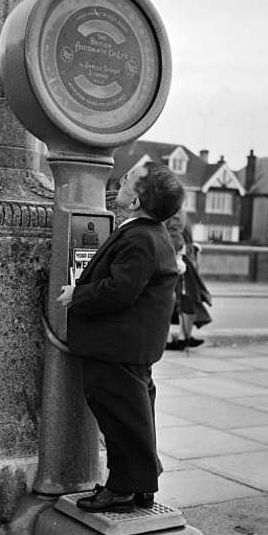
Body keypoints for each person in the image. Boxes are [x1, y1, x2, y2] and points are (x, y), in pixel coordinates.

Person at [57, 161, 185, 513]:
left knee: (119, 419)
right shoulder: (152, 233)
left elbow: (120, 291)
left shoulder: (140, 237)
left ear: (134, 203)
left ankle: (122, 489)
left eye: (128, 181)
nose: (122, 181)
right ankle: (143, 483)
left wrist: (76, 295)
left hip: (116, 348)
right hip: (132, 346)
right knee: (136, 416)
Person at [165, 213, 212, 350]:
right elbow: (174, 232)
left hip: (178, 256)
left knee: (177, 299)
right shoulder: (176, 209)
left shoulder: (174, 208)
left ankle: (181, 337)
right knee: (184, 298)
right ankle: (181, 338)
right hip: (179, 258)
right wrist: (180, 253)